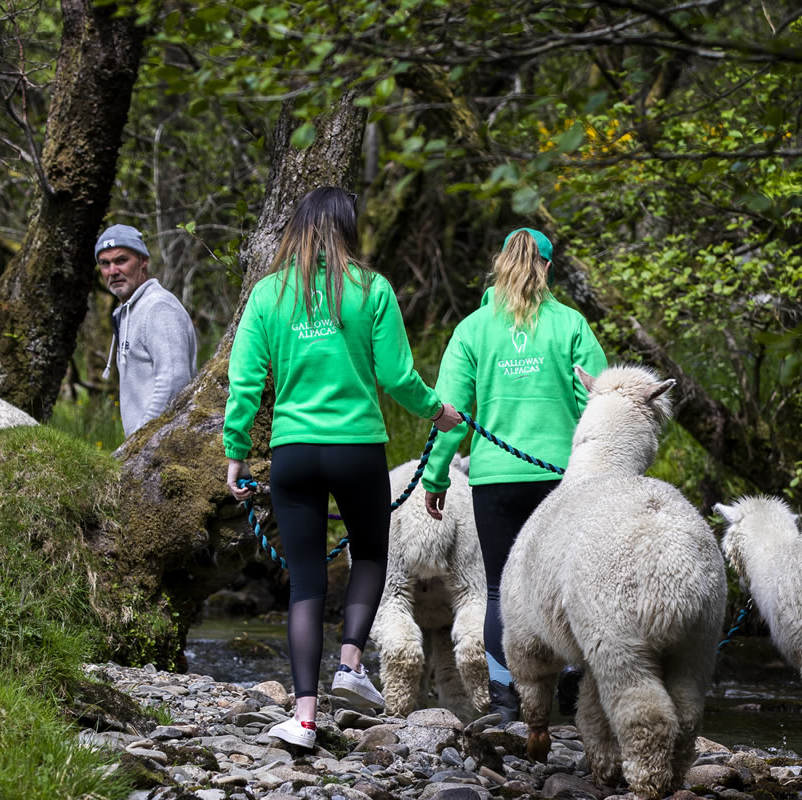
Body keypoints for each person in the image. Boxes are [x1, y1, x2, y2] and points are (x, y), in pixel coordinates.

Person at [223, 186, 460, 749]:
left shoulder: (267, 295)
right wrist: (438, 412)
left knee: (304, 582)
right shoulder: (371, 289)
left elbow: (245, 383)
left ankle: (304, 720)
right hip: (358, 448)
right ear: (347, 228)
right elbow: (399, 378)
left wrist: (235, 451)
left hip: (294, 452)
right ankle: (350, 665)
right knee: (372, 554)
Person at [421, 227, 607, 723]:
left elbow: (448, 413)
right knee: (566, 587)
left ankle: (507, 702)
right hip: (562, 480)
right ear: (547, 267)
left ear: (500, 263)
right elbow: (600, 404)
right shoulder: (571, 324)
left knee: (502, 591)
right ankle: (569, 688)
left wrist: (437, 476)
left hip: (495, 479)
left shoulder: (473, 329)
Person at [95, 223, 198, 436]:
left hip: (163, 449)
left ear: (143, 261)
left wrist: (138, 446)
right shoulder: (129, 311)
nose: (113, 271)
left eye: (121, 260)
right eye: (105, 264)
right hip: (147, 450)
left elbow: (174, 385)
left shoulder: (159, 308)